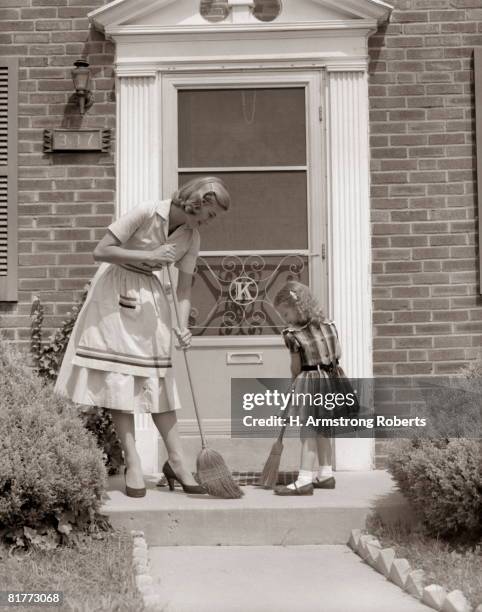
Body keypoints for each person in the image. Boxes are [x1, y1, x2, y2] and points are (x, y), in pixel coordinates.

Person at [54, 177, 231, 497]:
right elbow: (101, 251)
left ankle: (177, 461)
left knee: (158, 380)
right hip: (115, 295)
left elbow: (185, 288)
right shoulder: (147, 212)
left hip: (151, 300)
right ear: (198, 202)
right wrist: (148, 257)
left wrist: (183, 326)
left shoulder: (192, 237)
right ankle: (133, 463)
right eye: (212, 212)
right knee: (121, 379)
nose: (212, 220)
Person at [272, 281, 356, 496]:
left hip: (310, 381)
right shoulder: (329, 325)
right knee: (323, 429)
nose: (285, 319)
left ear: (298, 307)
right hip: (332, 378)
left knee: (308, 431)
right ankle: (326, 474)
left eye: (285, 314)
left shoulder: (293, 335)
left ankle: (304, 480)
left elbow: (296, 366)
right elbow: (337, 353)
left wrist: (293, 382)